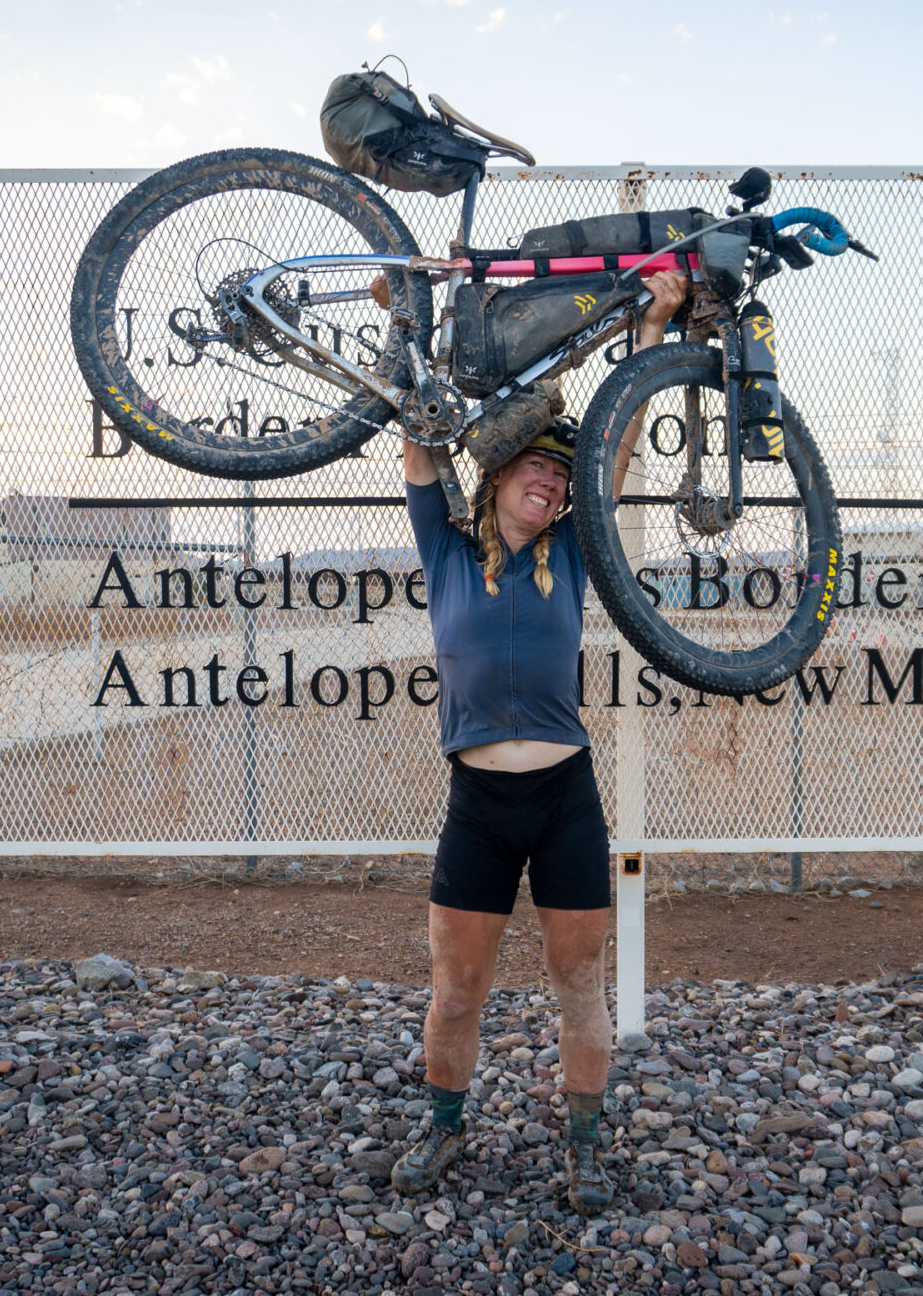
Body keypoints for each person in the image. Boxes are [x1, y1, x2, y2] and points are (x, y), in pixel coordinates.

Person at [392, 268, 688, 1215]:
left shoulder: (570, 553)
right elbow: (416, 435)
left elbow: (623, 447)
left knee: (578, 983)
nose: (555, 482)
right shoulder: (443, 546)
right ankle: (442, 1131)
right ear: (502, 474)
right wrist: (407, 324)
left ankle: (584, 1148)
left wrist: (655, 324)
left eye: (563, 477)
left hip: (564, 799)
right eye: (540, 468)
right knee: (455, 994)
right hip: (477, 804)